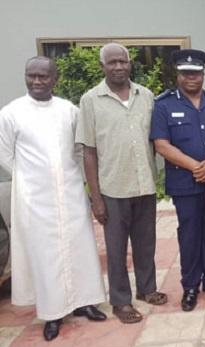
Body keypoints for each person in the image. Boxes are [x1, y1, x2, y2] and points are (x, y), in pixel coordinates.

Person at [0, 57, 106, 341]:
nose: (36, 81)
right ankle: (53, 313)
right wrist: (34, 178)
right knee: (45, 255)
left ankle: (85, 302)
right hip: (35, 198)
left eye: (43, 77)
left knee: (79, 247)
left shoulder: (68, 110)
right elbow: (6, 155)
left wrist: (69, 178)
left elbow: (77, 149)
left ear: (55, 78)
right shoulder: (11, 113)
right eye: (31, 76)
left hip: (70, 191)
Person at [76, 43, 167, 324]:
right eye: (112, 62)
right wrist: (96, 197)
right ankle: (120, 301)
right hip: (112, 189)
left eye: (123, 62)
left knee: (146, 243)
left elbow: (153, 141)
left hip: (144, 186)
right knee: (115, 249)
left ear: (130, 64)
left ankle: (147, 289)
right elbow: (88, 151)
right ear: (103, 66)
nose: (118, 67)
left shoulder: (146, 95)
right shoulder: (90, 100)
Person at [151, 49, 205, 312]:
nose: (191, 77)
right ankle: (190, 287)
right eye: (186, 73)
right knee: (189, 235)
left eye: (196, 73)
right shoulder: (164, 105)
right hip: (185, 183)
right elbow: (161, 145)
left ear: (203, 74)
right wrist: (197, 167)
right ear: (177, 74)